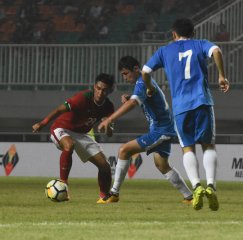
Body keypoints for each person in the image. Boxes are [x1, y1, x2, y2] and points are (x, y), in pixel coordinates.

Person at [141, 18, 230, 211]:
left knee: (187, 148)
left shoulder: (165, 51)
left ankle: (196, 186)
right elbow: (216, 50)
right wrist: (222, 75)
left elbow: (145, 71)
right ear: (193, 33)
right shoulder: (199, 44)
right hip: (202, 101)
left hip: (181, 107)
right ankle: (211, 186)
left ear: (173, 34)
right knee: (208, 146)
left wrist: (149, 88)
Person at [98, 56, 193, 204]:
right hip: (164, 128)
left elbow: (134, 103)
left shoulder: (142, 81)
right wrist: (131, 97)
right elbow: (145, 98)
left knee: (124, 150)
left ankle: (114, 193)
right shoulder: (143, 81)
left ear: (136, 69)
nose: (124, 77)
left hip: (161, 130)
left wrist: (110, 119)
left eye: (125, 73)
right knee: (162, 165)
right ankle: (189, 197)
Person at [32, 73, 115, 203]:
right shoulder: (83, 97)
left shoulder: (109, 107)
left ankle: (104, 196)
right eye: (98, 88)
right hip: (61, 128)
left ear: (110, 91)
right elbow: (60, 109)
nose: (100, 92)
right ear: (94, 87)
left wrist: (108, 125)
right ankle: (63, 185)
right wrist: (42, 123)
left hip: (81, 134)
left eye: (104, 90)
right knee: (69, 145)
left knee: (104, 165)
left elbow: (110, 134)